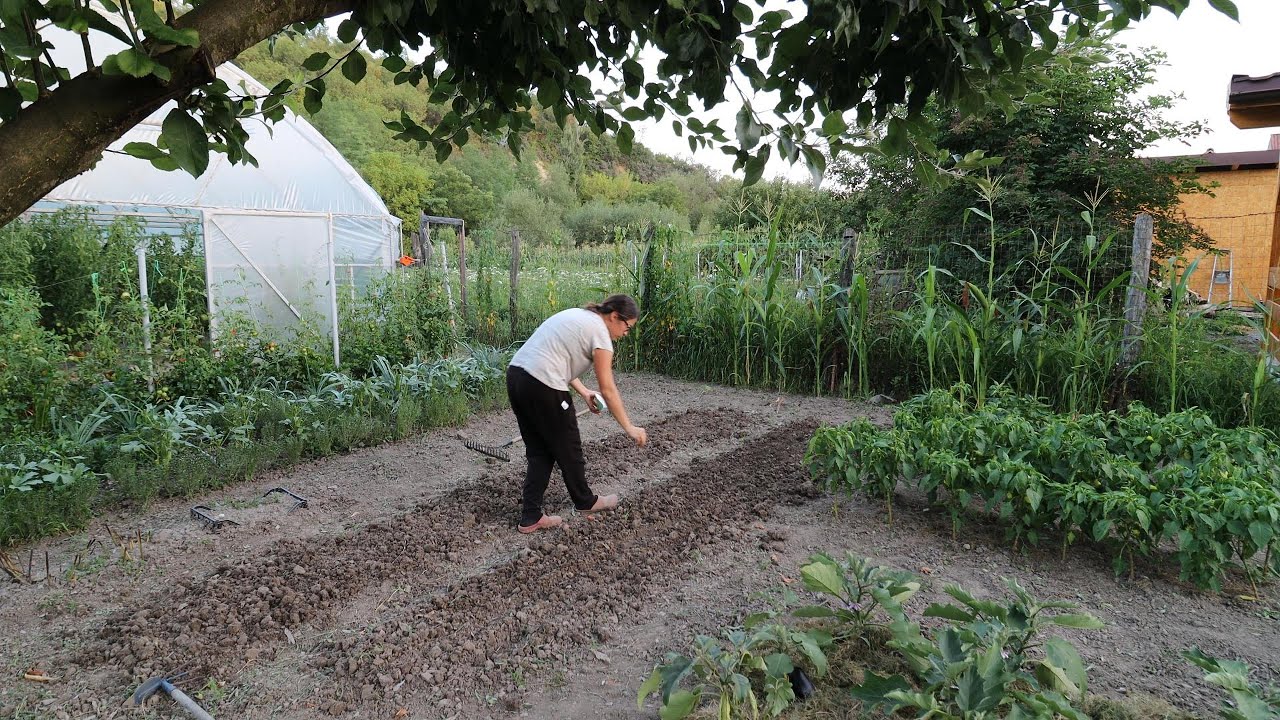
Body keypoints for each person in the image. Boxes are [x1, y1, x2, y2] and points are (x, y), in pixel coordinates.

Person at [506, 294, 648, 534]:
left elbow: (556, 356)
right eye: (627, 327)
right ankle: (585, 501)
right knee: (569, 446)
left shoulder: (579, 316)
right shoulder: (601, 334)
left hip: (517, 378)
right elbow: (608, 389)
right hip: (544, 385)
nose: (626, 334)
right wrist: (629, 427)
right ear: (615, 317)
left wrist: (583, 392)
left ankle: (530, 516)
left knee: (540, 451)